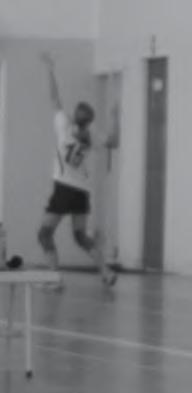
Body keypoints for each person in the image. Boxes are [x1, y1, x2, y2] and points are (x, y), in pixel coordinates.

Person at [37, 52, 119, 291]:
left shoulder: (64, 125)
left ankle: (54, 279)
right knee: (81, 237)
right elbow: (114, 141)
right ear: (89, 121)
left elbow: (54, 98)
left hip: (63, 188)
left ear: (75, 115)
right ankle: (106, 272)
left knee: (44, 234)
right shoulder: (91, 136)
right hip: (82, 191)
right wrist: (115, 117)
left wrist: (50, 69)